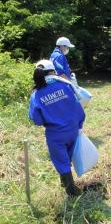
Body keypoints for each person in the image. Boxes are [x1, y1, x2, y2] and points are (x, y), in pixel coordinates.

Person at [29, 60, 85, 196]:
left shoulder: (36, 94)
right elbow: (78, 107)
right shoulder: (65, 85)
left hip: (55, 133)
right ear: (53, 71)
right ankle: (65, 182)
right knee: (68, 157)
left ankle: (71, 191)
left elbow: (36, 119)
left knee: (61, 161)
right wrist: (79, 124)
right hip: (72, 129)